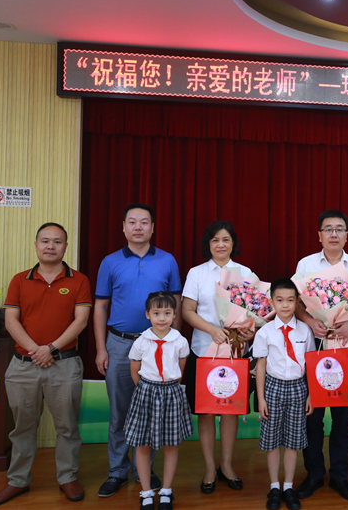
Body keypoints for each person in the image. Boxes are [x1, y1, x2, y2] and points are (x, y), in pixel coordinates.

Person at [0, 223, 92, 507]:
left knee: (67, 426)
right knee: (22, 427)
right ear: (36, 245)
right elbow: (11, 321)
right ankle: (18, 480)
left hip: (64, 365)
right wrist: (37, 351)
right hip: (23, 366)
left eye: (57, 241)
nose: (50, 246)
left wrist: (51, 348)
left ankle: (67, 477)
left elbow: (81, 321)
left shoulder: (79, 280)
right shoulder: (20, 280)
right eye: (45, 241)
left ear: (65, 247)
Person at [94, 203, 183, 498]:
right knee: (120, 412)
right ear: (123, 227)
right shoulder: (110, 262)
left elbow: (176, 303)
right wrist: (101, 348)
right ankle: (117, 471)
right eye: (132, 222)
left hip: (159, 345)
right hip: (120, 344)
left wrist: (173, 342)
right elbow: (100, 306)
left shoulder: (167, 261)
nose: (138, 227)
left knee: (152, 411)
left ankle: (144, 470)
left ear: (152, 228)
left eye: (144, 222)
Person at [294, 210, 348, 502]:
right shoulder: (306, 264)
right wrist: (309, 320)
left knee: (342, 419)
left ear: (347, 235)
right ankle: (314, 474)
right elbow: (296, 302)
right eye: (328, 229)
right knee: (312, 417)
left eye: (339, 229)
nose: (333, 234)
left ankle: (340, 475)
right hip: (315, 345)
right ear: (319, 235)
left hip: (345, 345)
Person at [181, 220, 255, 492]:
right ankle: (210, 468)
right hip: (204, 350)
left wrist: (250, 331)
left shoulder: (245, 273)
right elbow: (187, 311)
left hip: (235, 353)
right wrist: (212, 330)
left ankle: (227, 465)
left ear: (233, 243)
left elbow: (254, 314)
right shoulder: (197, 273)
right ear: (208, 244)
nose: (221, 244)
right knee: (207, 412)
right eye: (215, 240)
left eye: (226, 239)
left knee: (230, 410)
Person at [252, 278, 315, 510]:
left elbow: (311, 364)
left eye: (290, 300)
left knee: (293, 441)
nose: (285, 305)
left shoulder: (305, 330)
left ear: (297, 302)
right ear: (272, 302)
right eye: (280, 300)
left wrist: (311, 394)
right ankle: (275, 487)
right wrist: (261, 398)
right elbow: (260, 366)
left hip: (298, 388)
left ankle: (288, 486)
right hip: (273, 388)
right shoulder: (265, 332)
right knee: (272, 441)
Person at [125, 292, 192, 510]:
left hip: (171, 392)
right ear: (147, 315)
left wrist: (168, 389)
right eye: (156, 313)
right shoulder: (141, 341)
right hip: (146, 392)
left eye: (167, 313)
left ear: (174, 315)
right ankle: (146, 492)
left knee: (171, 444)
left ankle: (166, 490)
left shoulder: (180, 341)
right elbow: (135, 370)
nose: (161, 318)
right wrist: (146, 390)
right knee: (143, 444)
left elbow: (180, 369)